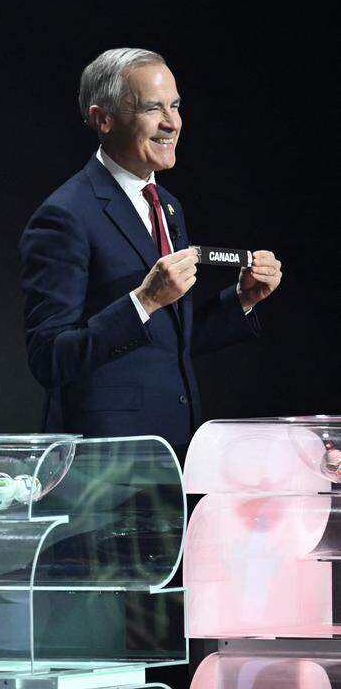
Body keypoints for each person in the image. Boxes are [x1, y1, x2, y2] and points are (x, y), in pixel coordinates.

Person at [19, 47, 282, 449]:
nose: (171, 123)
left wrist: (242, 300)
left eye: (175, 106)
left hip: (174, 448)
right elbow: (50, 358)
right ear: (102, 119)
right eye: (152, 109)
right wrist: (142, 301)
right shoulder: (64, 216)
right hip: (105, 462)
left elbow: (166, 340)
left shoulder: (168, 205)